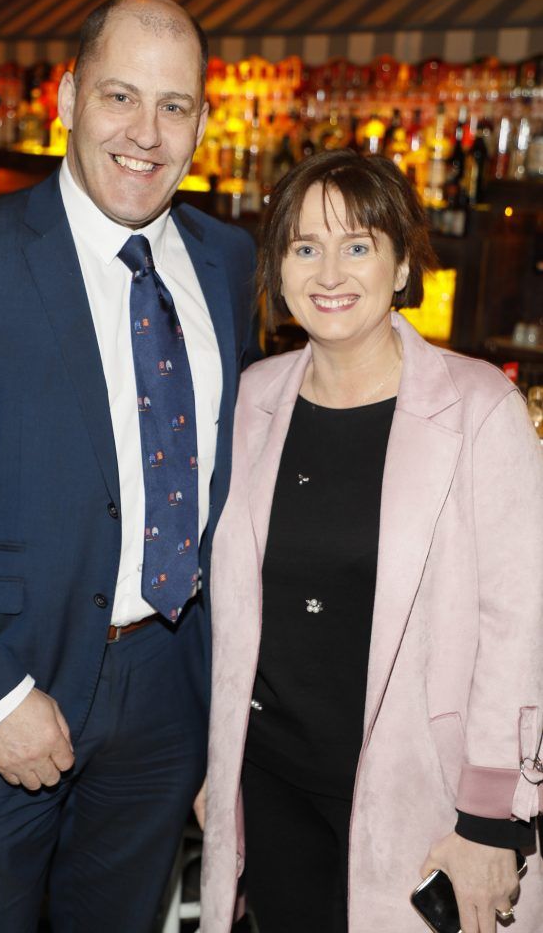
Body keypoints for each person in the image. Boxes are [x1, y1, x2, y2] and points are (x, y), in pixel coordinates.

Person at [0, 0, 257, 933]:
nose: (145, 134)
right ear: (66, 98)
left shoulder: (228, 262)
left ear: (202, 119)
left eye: (174, 105)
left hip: (167, 693)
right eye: (119, 96)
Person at [200, 149, 543, 933]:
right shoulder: (253, 398)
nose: (330, 271)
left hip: (422, 798)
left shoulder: (477, 408)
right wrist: (217, 767)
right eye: (303, 246)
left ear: (399, 267)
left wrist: (493, 820)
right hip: (271, 782)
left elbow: (518, 624)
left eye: (357, 245)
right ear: (278, 269)